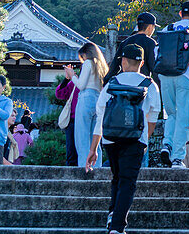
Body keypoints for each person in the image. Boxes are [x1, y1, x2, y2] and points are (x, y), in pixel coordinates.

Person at [85, 44, 160, 234]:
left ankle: (113, 215)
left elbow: (100, 118)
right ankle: (118, 227)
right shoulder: (149, 85)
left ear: (123, 61)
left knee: (117, 177)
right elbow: (153, 117)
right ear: (142, 63)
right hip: (136, 140)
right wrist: (145, 139)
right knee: (127, 181)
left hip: (111, 140)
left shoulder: (111, 84)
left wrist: (93, 149)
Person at [156, 0, 189, 169]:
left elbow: (157, 52)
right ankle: (178, 158)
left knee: (171, 114)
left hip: (165, 76)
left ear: (180, 13)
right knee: (184, 117)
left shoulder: (167, 29)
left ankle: (167, 144)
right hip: (186, 77)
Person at [73, 41, 109, 169]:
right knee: (95, 138)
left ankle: (84, 167)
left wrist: (72, 76)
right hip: (98, 100)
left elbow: (81, 85)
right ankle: (96, 167)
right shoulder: (102, 66)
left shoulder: (88, 63)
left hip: (86, 97)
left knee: (82, 137)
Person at [108, 12, 159, 79]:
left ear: (138, 26)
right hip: (141, 83)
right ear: (150, 27)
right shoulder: (151, 43)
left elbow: (114, 67)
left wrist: (106, 82)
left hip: (123, 81)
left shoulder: (125, 42)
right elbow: (154, 68)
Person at [55, 72, 80, 166]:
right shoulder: (75, 83)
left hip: (87, 120)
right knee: (72, 150)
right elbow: (60, 93)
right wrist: (66, 79)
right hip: (73, 120)